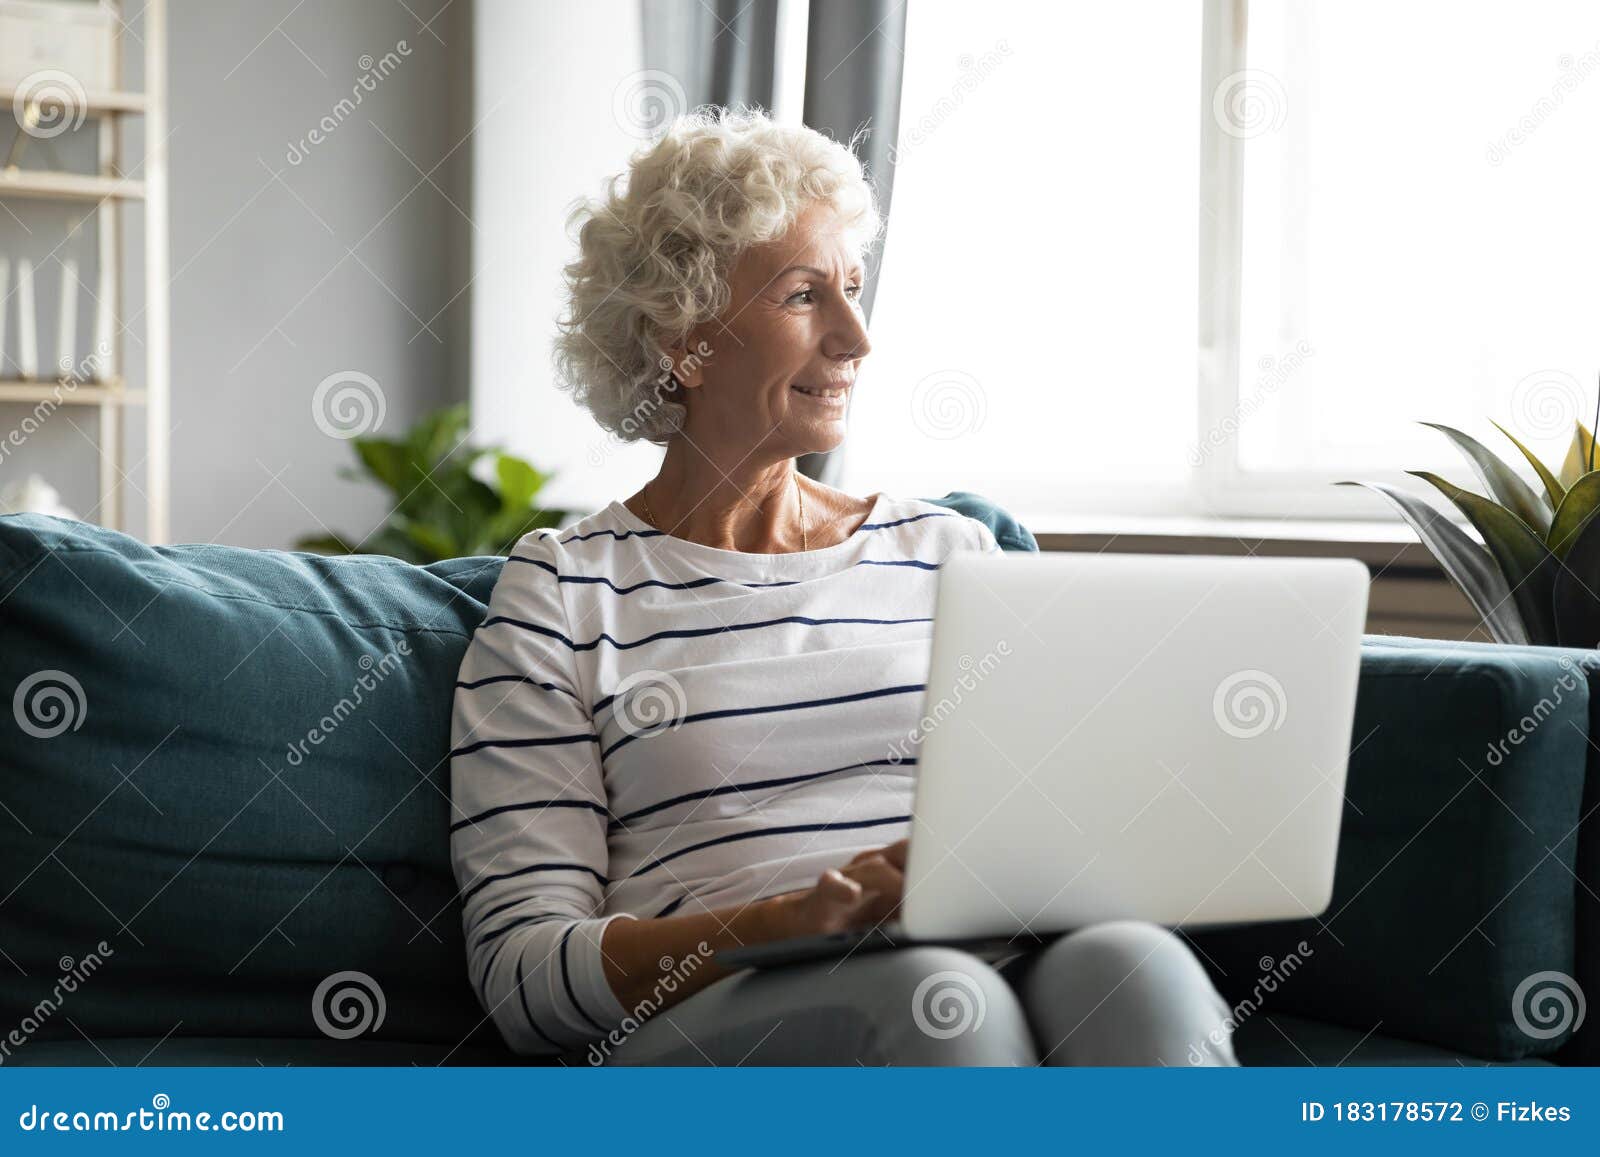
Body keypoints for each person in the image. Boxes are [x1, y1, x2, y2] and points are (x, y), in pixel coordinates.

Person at [448, 109, 1238, 1066]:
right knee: (941, 1001)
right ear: (685, 339)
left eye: (854, 290)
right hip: (716, 1016)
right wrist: (785, 923)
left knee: (1135, 966)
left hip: (988, 957)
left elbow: (1060, 831)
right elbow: (526, 976)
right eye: (803, 296)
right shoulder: (565, 594)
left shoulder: (951, 551)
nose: (856, 336)